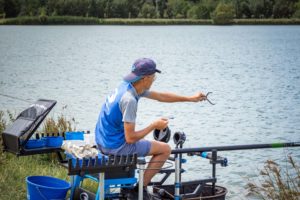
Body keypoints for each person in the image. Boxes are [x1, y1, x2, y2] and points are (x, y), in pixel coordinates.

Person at [95, 58, 207, 199]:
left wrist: (190, 98)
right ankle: (138, 190)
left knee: (149, 143)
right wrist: (153, 125)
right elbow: (130, 139)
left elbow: (161, 96)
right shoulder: (130, 100)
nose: (154, 79)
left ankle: (133, 188)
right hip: (115, 147)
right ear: (146, 78)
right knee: (165, 149)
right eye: (153, 76)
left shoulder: (128, 86)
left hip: (102, 141)